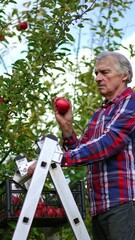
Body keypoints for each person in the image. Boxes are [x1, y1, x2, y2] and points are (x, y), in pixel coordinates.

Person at [28, 51, 135, 240]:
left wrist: (55, 159)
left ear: (124, 75)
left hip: (124, 203)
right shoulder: (99, 114)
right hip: (100, 206)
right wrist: (67, 127)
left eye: (104, 72)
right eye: (96, 73)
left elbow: (108, 144)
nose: (98, 78)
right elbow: (82, 150)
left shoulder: (131, 103)